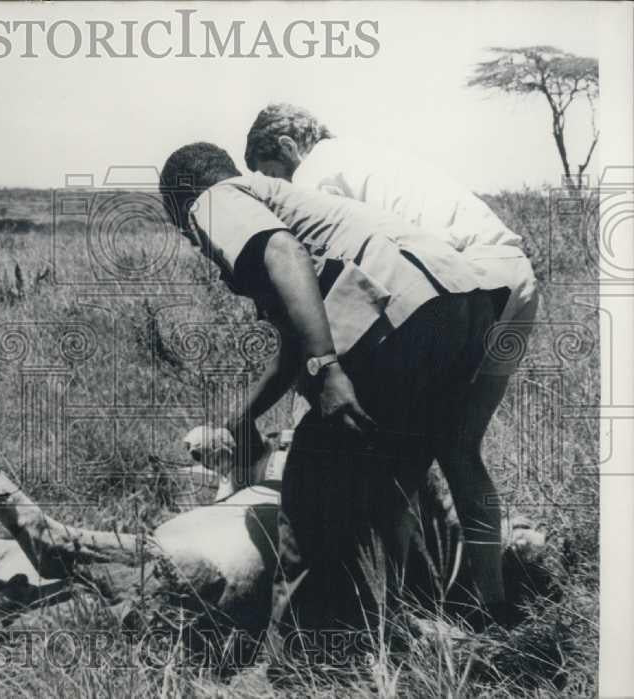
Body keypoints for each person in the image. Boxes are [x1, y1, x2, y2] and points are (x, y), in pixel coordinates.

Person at [159, 143, 509, 660]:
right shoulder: (282, 198)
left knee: (309, 497)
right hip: (465, 304)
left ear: (179, 203)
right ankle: (382, 639)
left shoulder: (212, 200)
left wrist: (326, 369)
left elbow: (284, 255)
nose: (192, 237)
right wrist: (244, 415)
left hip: (407, 311)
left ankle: (293, 666)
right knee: (384, 490)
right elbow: (292, 346)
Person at [244, 103, 540, 618]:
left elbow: (326, 280)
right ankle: (490, 602)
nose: (279, 191)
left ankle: (396, 613)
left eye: (274, 176)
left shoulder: (315, 174)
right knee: (460, 449)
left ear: (288, 150)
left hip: (464, 283)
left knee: (391, 462)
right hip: (514, 278)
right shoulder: (368, 158)